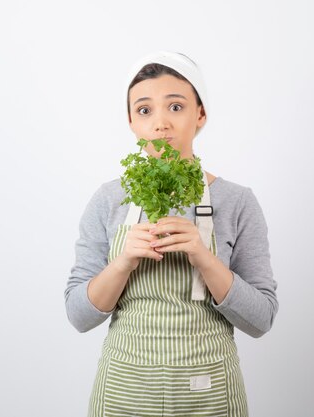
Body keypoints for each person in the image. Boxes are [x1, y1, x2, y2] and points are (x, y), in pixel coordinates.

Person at [64, 51, 279, 417]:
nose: (160, 123)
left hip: (209, 392)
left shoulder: (237, 201)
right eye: (145, 110)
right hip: (125, 392)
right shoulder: (108, 199)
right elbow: (79, 316)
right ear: (131, 121)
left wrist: (203, 256)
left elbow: (261, 319)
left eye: (176, 107)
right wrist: (122, 263)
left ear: (200, 114)